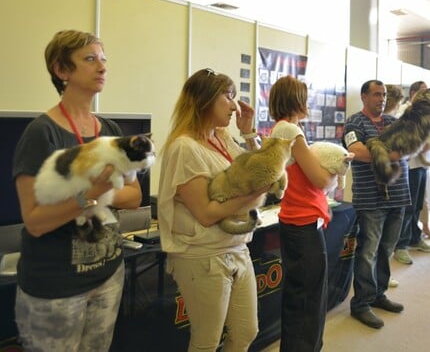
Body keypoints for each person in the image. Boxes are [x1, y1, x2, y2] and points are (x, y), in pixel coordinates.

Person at [12, 30, 142, 351]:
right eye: (89, 59)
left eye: (103, 59)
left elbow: (135, 196)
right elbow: (36, 221)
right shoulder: (41, 133)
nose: (102, 67)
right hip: (55, 287)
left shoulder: (110, 130)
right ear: (62, 70)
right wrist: (92, 193)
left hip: (109, 274)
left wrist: (96, 193)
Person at [157, 68, 265, 351]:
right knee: (207, 341)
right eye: (227, 96)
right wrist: (252, 195)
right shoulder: (185, 147)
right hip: (203, 255)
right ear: (204, 99)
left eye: (234, 97)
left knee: (246, 331)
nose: (234, 105)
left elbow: (258, 169)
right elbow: (205, 213)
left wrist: (249, 133)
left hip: (236, 247)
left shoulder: (220, 138)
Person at [268, 76, 342, 351]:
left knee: (300, 296)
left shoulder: (283, 129)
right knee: (310, 301)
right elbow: (320, 179)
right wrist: (334, 173)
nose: (308, 101)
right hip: (303, 223)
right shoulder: (290, 131)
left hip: (297, 220)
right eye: (304, 95)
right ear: (295, 99)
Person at [343, 80, 409, 329]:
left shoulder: (393, 122)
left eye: (383, 95)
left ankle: (378, 293)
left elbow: (408, 147)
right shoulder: (354, 123)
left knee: (386, 250)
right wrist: (391, 152)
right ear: (364, 96)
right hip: (371, 199)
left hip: (399, 196)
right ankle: (361, 304)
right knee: (368, 252)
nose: (381, 99)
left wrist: (382, 150)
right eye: (376, 94)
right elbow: (357, 151)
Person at [393, 81, 430, 265]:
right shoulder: (403, 110)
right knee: (408, 207)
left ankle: (414, 237)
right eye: (422, 92)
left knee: (418, 205)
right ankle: (400, 246)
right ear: (412, 94)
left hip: (421, 165)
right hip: (408, 165)